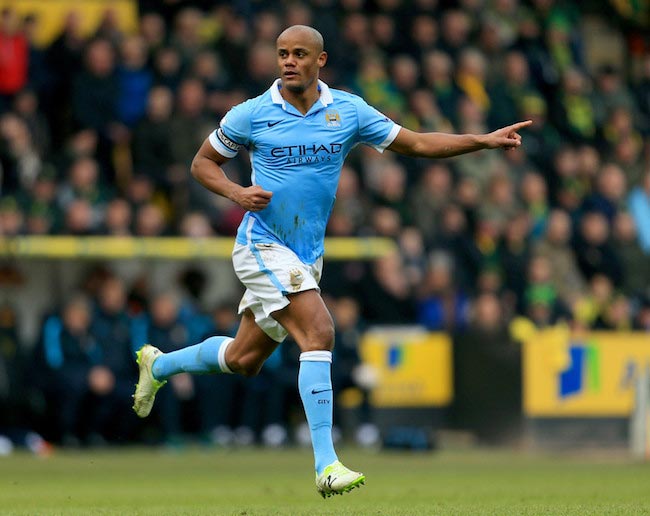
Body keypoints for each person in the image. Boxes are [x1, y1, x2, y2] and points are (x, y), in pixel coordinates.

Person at [132, 25, 531, 498]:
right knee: (320, 330)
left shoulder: (348, 111)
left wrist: (481, 141)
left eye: (299, 54)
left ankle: (157, 366)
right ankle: (326, 464)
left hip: (306, 254)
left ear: (320, 61)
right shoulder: (252, 114)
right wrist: (237, 192)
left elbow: (418, 143)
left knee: (244, 360)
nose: (288, 61)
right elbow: (201, 164)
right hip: (262, 245)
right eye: (282, 53)